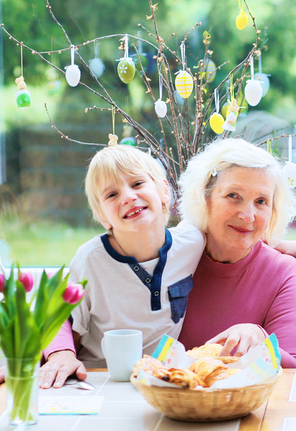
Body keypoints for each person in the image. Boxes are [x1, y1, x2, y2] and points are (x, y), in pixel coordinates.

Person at [38, 145, 205, 388]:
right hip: (98, 378)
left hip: (160, 381)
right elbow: (56, 314)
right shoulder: (90, 259)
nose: (127, 197)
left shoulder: (192, 242)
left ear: (165, 192)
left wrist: (279, 245)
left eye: (137, 184)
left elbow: (238, 240)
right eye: (111, 195)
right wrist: (61, 353)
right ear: (103, 216)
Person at [176, 138, 296, 368]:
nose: (248, 215)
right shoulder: (174, 256)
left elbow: (295, 370)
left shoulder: (283, 272)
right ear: (205, 197)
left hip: (248, 403)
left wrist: (260, 338)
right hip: (169, 397)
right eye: (233, 195)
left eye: (261, 201)